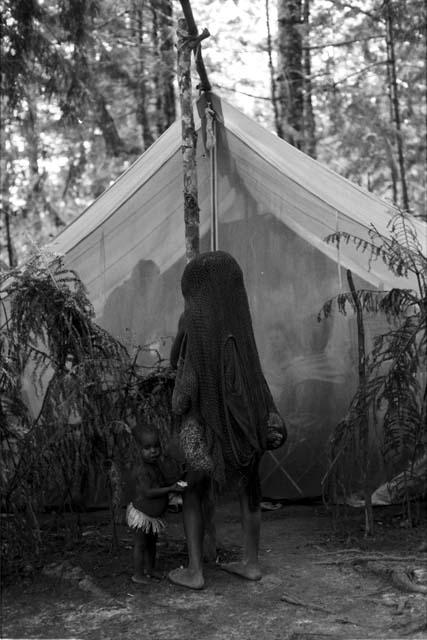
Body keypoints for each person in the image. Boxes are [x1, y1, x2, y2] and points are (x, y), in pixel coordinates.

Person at [168, 251, 286, 590]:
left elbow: (182, 396)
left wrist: (181, 332)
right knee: (250, 489)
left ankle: (195, 570)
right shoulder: (240, 323)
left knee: (193, 491)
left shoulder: (196, 323)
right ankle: (251, 563)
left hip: (207, 432)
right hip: (246, 428)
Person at [127, 425, 186, 583]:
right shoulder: (141, 469)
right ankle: (138, 575)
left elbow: (163, 480)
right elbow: (148, 492)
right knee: (140, 544)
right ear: (138, 450)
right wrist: (170, 489)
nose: (153, 451)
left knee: (152, 543)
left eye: (156, 447)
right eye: (147, 448)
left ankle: (150, 569)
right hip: (142, 515)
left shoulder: (156, 465)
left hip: (153, 516)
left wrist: (176, 482)